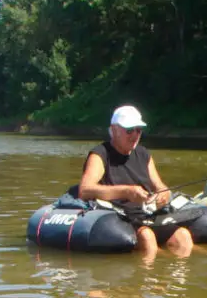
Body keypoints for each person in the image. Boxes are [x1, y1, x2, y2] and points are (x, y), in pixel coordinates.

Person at [78, 105, 193, 259]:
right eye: (129, 130)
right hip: (118, 216)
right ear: (114, 130)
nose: (135, 135)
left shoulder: (144, 154)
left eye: (138, 130)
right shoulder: (100, 154)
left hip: (147, 215)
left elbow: (160, 186)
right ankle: (147, 280)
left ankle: (177, 280)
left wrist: (164, 194)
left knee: (183, 236)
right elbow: (85, 189)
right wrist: (127, 192)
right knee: (147, 237)